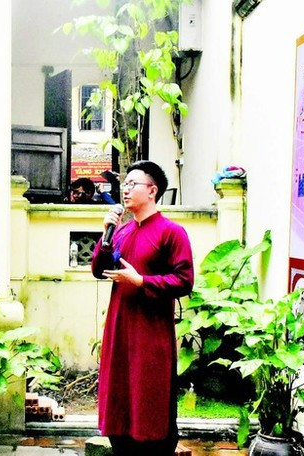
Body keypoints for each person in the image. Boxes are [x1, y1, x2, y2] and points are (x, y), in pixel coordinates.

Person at [91, 160, 194, 456]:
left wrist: (141, 281)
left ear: (152, 190)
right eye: (125, 184)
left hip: (150, 335)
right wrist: (106, 232)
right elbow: (99, 269)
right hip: (119, 331)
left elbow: (184, 280)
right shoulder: (121, 231)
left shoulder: (171, 232)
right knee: (120, 397)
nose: (125, 189)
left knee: (150, 397)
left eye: (132, 184)